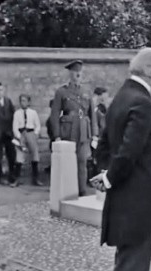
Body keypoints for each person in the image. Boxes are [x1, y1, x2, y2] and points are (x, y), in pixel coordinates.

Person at [91, 48, 151, 271]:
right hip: (141, 200)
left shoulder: (121, 97)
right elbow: (130, 150)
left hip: (129, 197)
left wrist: (107, 172)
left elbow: (104, 144)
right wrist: (109, 178)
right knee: (134, 265)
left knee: (128, 261)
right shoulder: (142, 102)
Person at [50, 60, 98, 197]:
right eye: (75, 72)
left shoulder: (86, 91)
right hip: (68, 130)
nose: (78, 74)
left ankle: (82, 191)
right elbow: (54, 115)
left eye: (80, 72)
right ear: (70, 73)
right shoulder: (62, 91)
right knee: (68, 162)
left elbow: (92, 115)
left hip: (83, 131)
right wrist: (57, 135)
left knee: (82, 161)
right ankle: (68, 191)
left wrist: (95, 134)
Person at [12, 94, 43, 187]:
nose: (23, 102)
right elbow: (15, 127)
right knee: (19, 156)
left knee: (35, 155)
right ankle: (16, 179)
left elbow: (37, 125)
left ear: (29, 102)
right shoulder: (17, 113)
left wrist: (36, 134)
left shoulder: (33, 113)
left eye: (25, 101)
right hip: (21, 134)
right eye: (21, 101)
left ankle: (36, 178)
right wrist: (18, 136)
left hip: (31, 133)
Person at [0, 81, 16, 186]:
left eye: (0, 90)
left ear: (4, 90)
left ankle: (11, 175)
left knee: (11, 154)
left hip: (8, 132)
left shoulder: (8, 101)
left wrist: (13, 130)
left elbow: (13, 115)